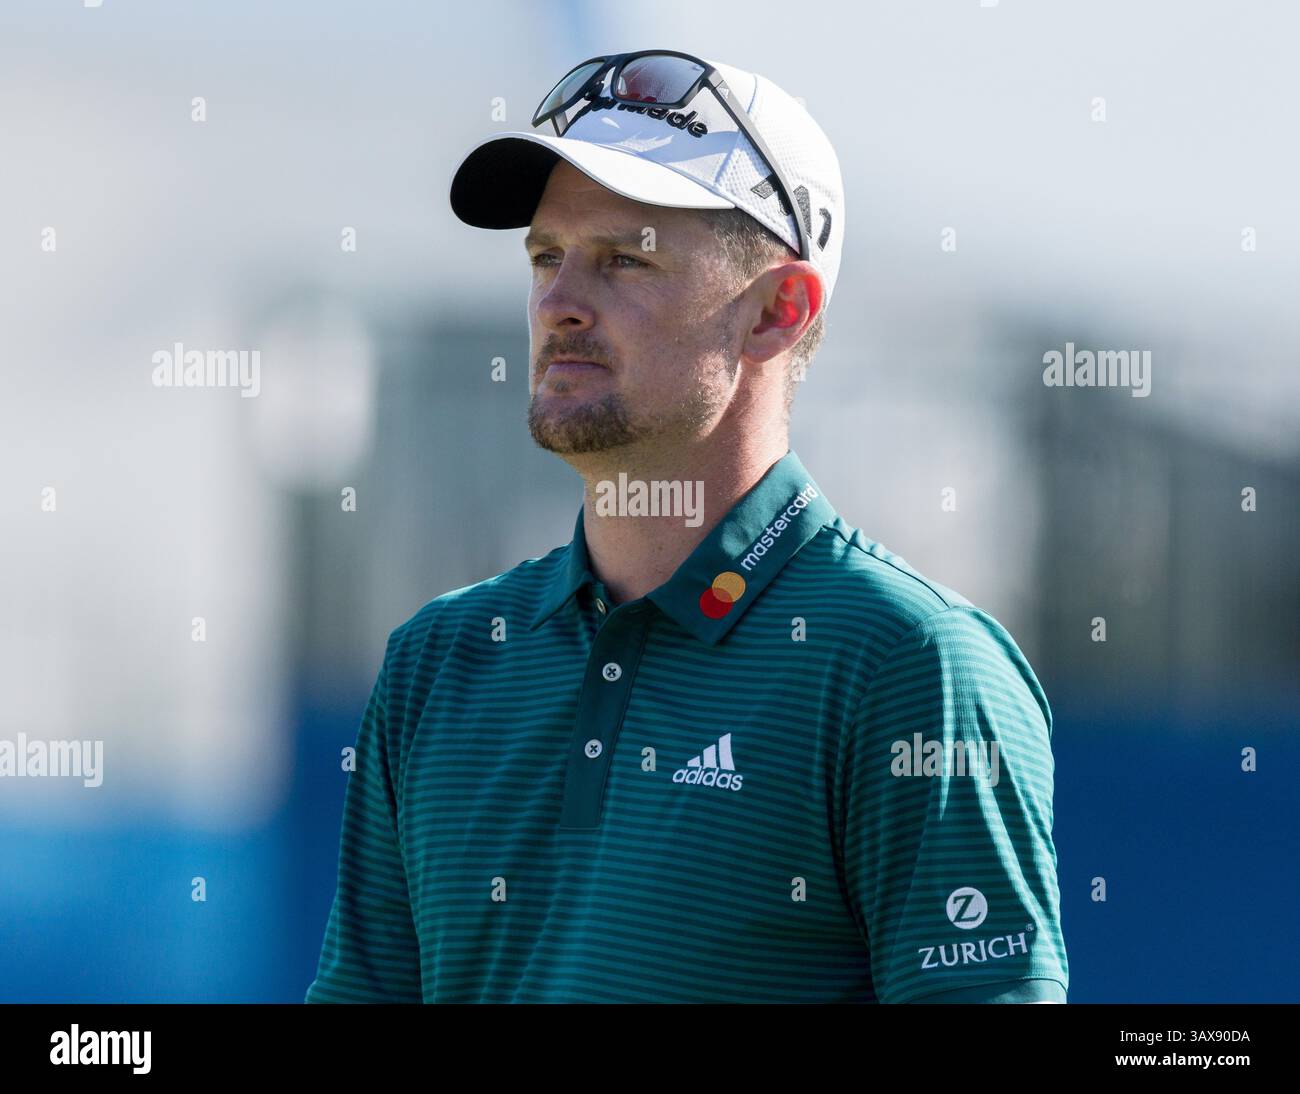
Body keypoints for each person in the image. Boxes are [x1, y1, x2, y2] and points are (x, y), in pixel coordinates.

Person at [306, 50, 1068, 1003]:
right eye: (546, 256)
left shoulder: (911, 666)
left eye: (626, 258)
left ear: (777, 312)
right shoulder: (438, 660)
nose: (558, 304)